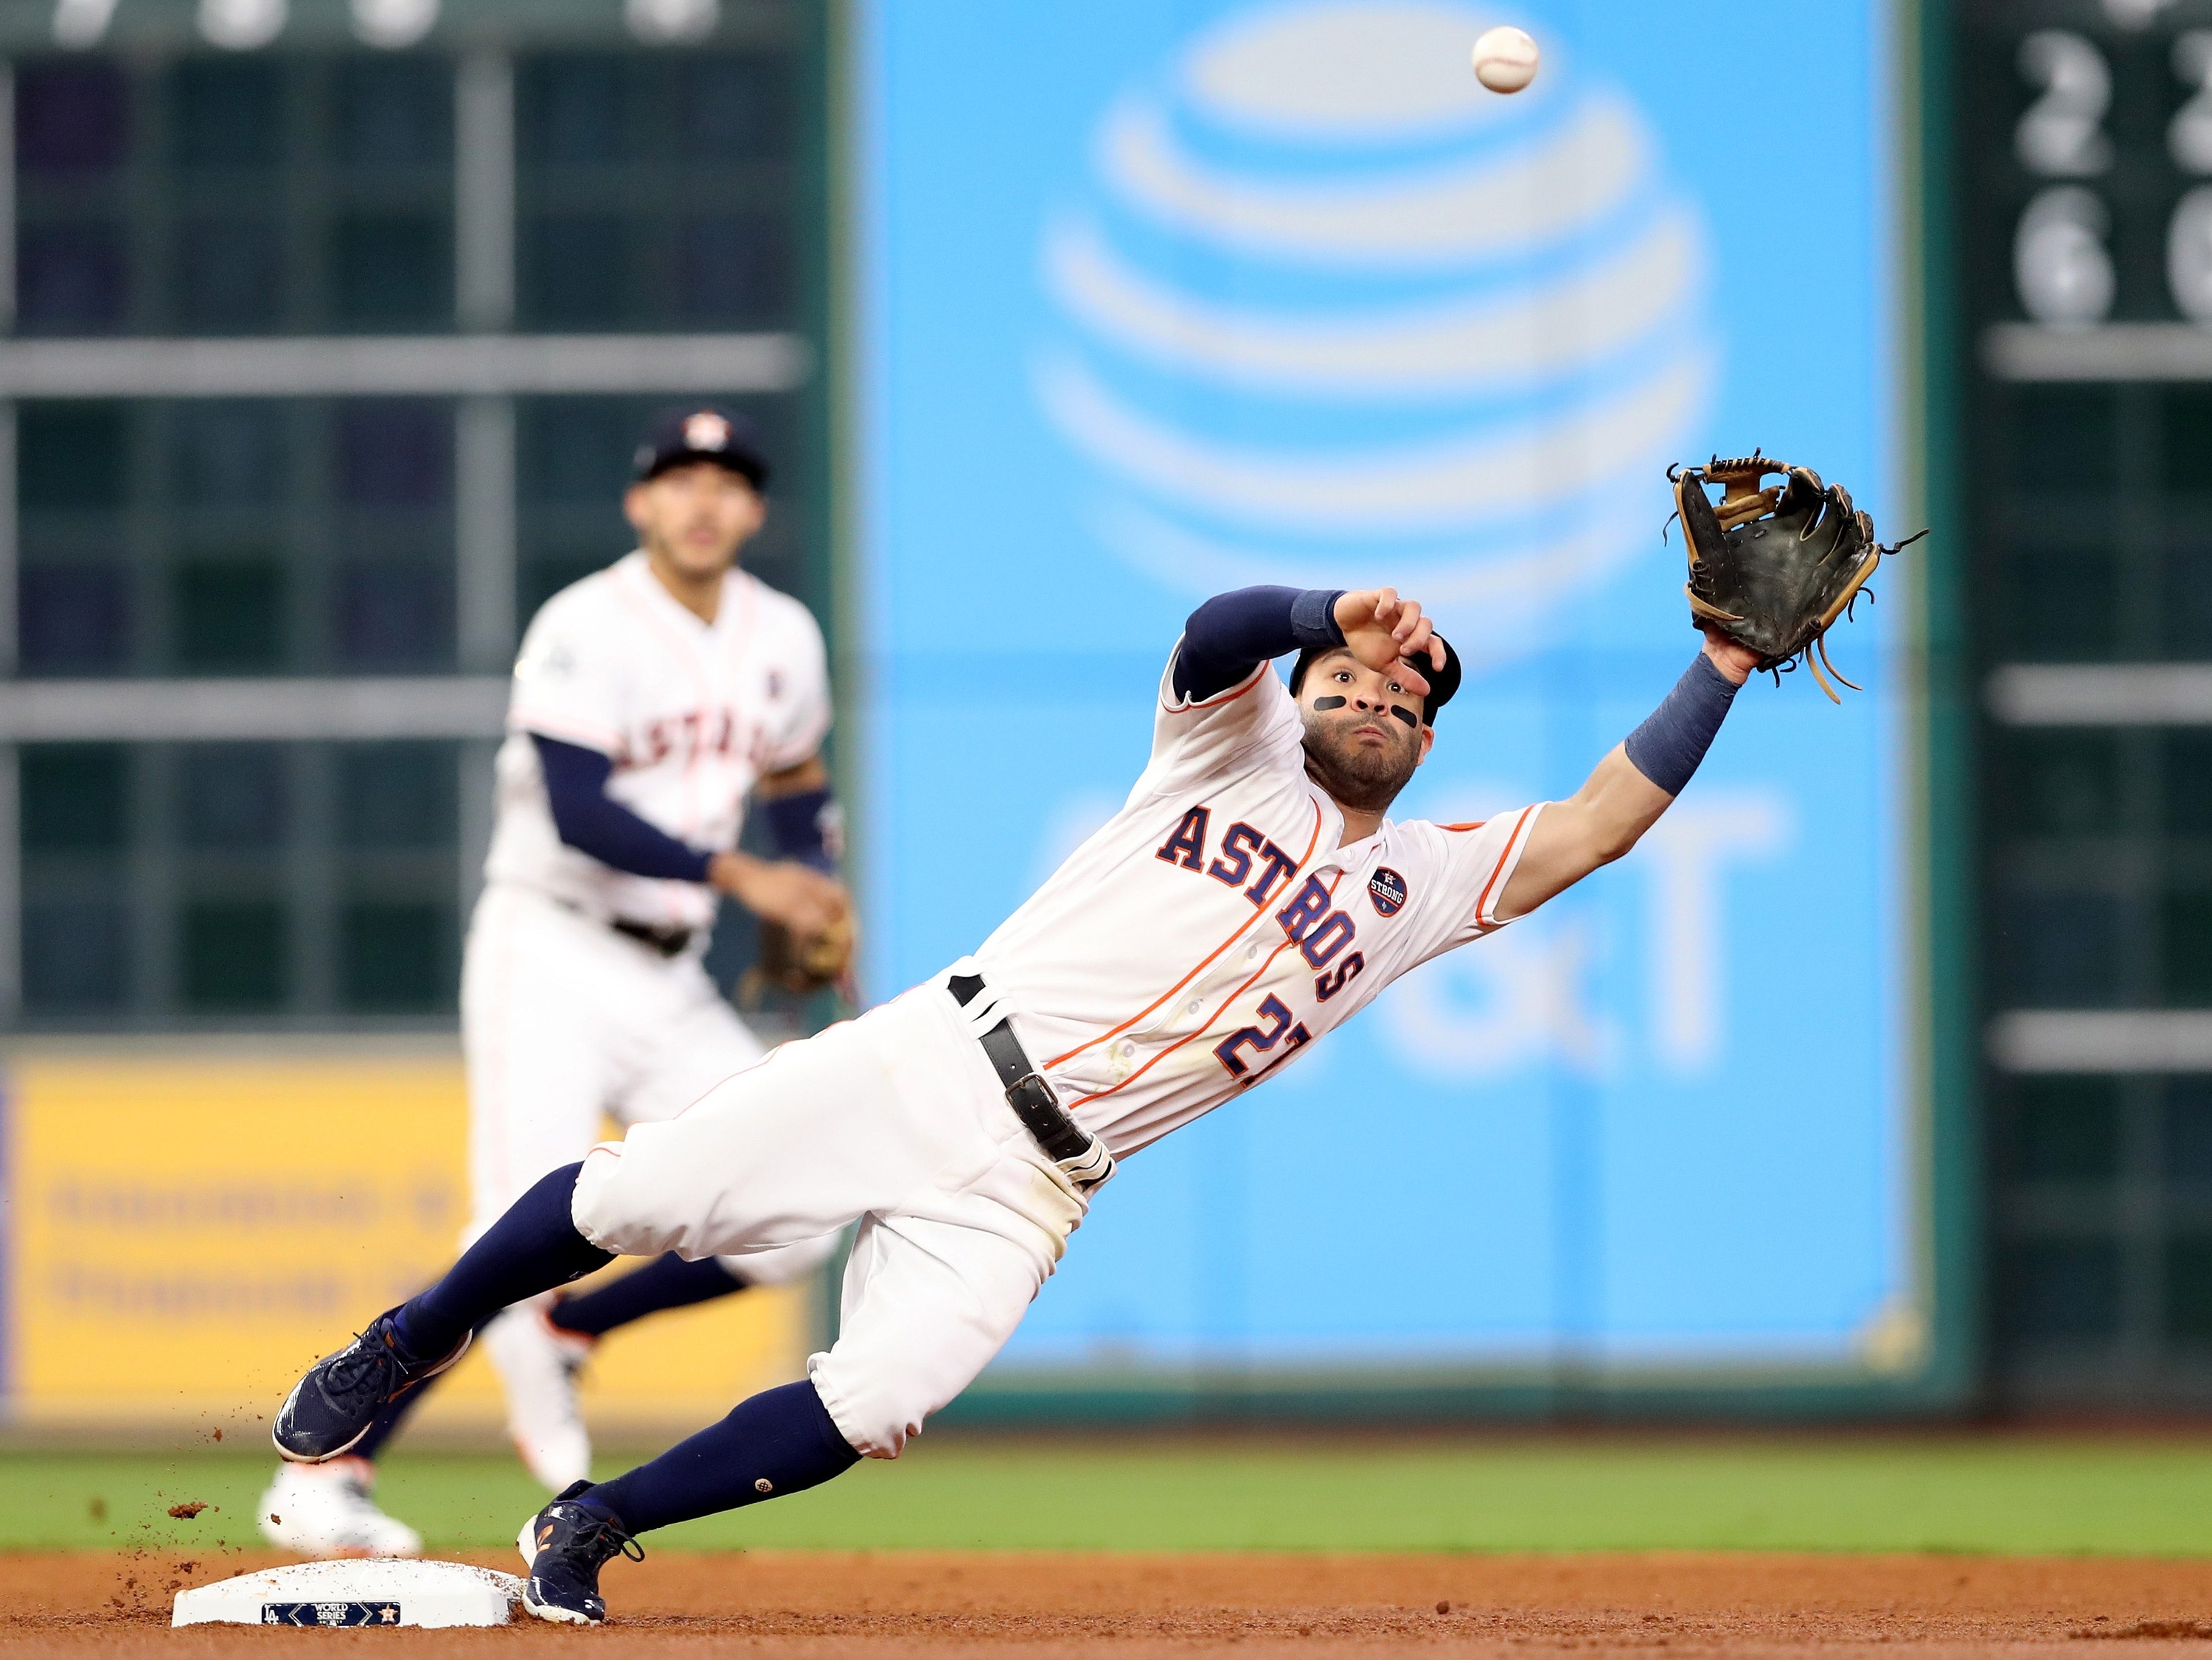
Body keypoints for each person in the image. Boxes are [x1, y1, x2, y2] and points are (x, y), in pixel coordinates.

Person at [271, 579, 1761, 1619]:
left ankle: (595, 1519)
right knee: (631, 1196)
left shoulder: (1422, 879)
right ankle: (407, 1338)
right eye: (1351, 681)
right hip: (932, 1055)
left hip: (1040, 1181)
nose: (1374, 697)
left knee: (881, 1397)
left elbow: (1597, 823)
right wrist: (1323, 612)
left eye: (1401, 698)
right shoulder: (1221, 751)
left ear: (1429, 741)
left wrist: (1724, 670)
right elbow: (1212, 633)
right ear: (1304, 697)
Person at [259, 407, 852, 1559]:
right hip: (552, 945)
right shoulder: (586, 622)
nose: (702, 500)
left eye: (727, 482)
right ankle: (322, 1468)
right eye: (679, 479)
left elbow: (798, 781)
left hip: (672, 976)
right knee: (514, 1223)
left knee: (801, 1217)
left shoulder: (782, 633)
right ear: (641, 504)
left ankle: (575, 1325)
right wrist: (752, 879)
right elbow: (580, 812)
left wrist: (819, 885)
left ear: (755, 510)